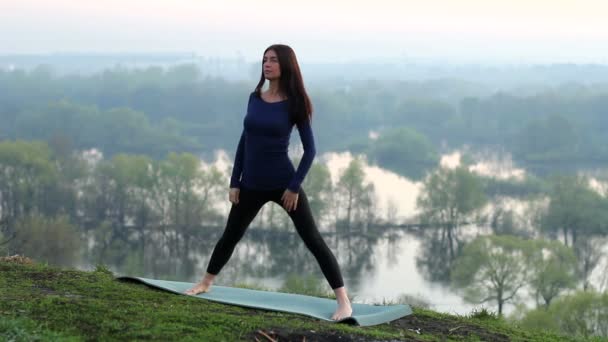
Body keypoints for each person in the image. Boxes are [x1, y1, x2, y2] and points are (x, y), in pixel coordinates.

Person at [184, 44, 353, 321]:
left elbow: (310, 151)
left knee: (312, 239)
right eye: (265, 59)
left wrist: (294, 186)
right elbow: (244, 140)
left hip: (283, 183)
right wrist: (234, 180)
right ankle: (205, 282)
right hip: (250, 183)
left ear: (285, 65)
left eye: (273, 60)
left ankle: (343, 302)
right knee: (231, 235)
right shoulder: (255, 98)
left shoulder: (295, 103)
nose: (267, 64)